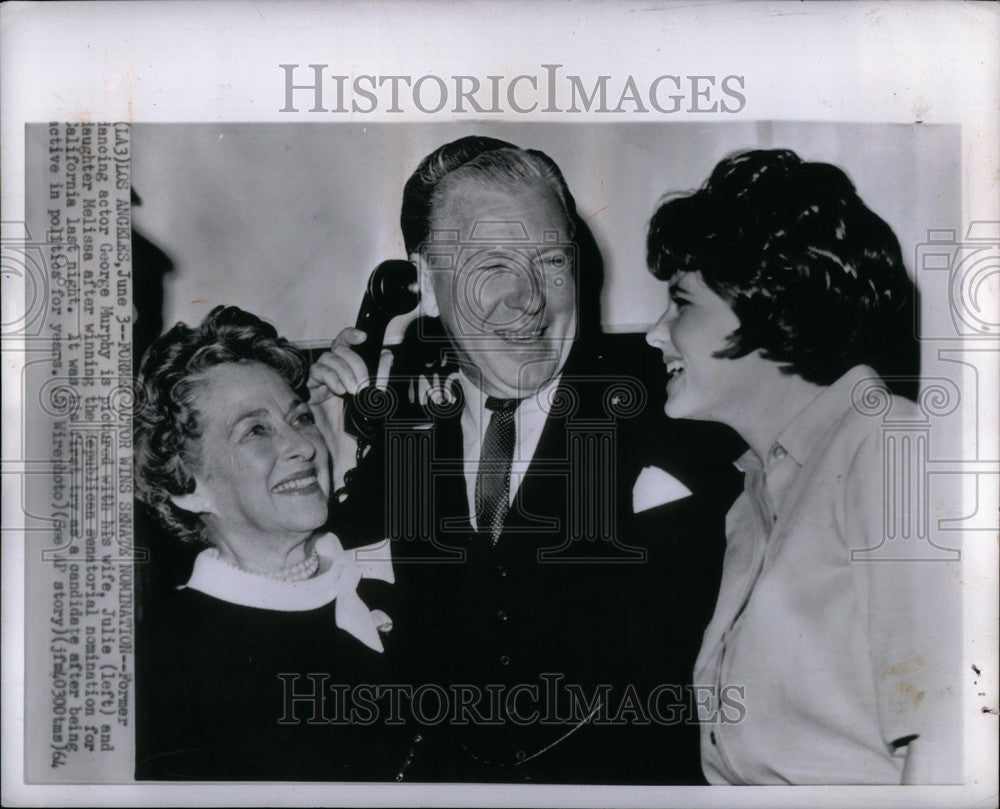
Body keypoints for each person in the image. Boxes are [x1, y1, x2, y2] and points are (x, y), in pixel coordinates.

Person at [309, 136, 743, 783]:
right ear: (425, 283)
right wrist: (329, 458)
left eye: (550, 260)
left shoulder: (679, 417)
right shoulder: (399, 443)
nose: (532, 298)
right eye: (493, 266)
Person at [644, 149, 959, 784]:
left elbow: (951, 735)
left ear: (769, 308)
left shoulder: (892, 449)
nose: (655, 333)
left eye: (681, 303)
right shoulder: (753, 498)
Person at [133, 305, 407, 780]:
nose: (303, 445)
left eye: (299, 419)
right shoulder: (165, 657)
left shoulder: (381, 575)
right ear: (186, 483)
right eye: (255, 430)